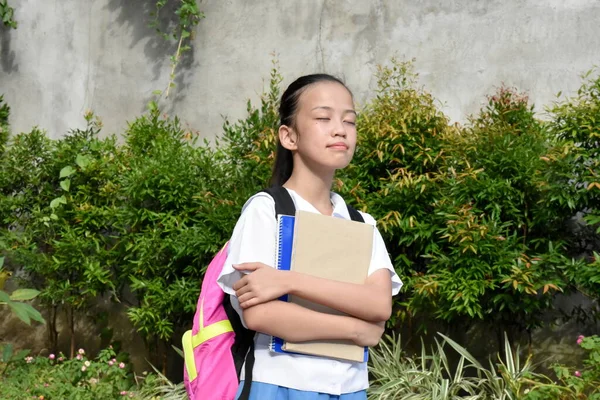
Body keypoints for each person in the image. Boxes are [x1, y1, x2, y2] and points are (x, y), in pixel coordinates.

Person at [217, 73, 403, 400]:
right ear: (289, 136)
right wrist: (356, 329)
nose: (340, 129)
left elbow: (378, 304)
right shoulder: (266, 211)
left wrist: (289, 281)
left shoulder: (361, 223)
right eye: (322, 117)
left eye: (350, 120)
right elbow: (260, 314)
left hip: (350, 389)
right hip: (278, 385)